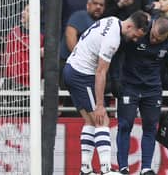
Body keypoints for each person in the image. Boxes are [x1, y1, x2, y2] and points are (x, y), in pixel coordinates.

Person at [63, 10, 149, 175]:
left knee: (90, 121)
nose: (135, 39)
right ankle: (106, 169)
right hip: (82, 74)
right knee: (102, 121)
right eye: (135, 35)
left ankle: (85, 168)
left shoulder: (112, 19)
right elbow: (101, 72)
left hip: (71, 68)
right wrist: (100, 105)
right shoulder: (113, 40)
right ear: (130, 26)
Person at [110, 17, 168, 175]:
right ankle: (123, 167)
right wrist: (114, 79)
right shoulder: (139, 32)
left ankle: (146, 168)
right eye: (153, 35)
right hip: (129, 86)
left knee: (150, 127)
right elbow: (117, 52)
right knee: (125, 125)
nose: (153, 39)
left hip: (153, 88)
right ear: (152, 26)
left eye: (158, 39)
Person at [59, 0, 105, 117]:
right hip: (69, 63)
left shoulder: (102, 23)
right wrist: (80, 58)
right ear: (88, 5)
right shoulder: (79, 16)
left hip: (88, 67)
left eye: (101, 5)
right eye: (95, 3)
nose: (98, 7)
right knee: (74, 97)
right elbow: (70, 36)